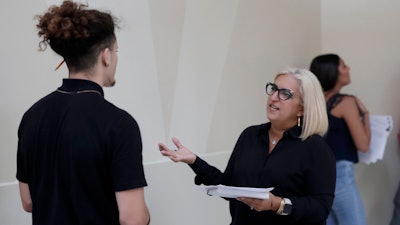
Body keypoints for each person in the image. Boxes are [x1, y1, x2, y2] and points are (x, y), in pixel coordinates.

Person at [16, 1, 150, 225]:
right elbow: (133, 219)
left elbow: (28, 202)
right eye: (116, 52)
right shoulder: (119, 124)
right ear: (106, 56)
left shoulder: (32, 116)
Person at [158, 68, 336, 225]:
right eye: (273, 89)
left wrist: (277, 204)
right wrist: (194, 161)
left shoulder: (315, 148)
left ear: (302, 109)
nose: (274, 97)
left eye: (285, 93)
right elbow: (229, 188)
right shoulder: (250, 136)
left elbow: (320, 209)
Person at [310, 53, 371, 225]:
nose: (348, 69)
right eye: (344, 66)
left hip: (318, 178)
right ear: (333, 73)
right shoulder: (346, 102)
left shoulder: (313, 103)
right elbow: (363, 145)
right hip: (340, 175)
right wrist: (365, 115)